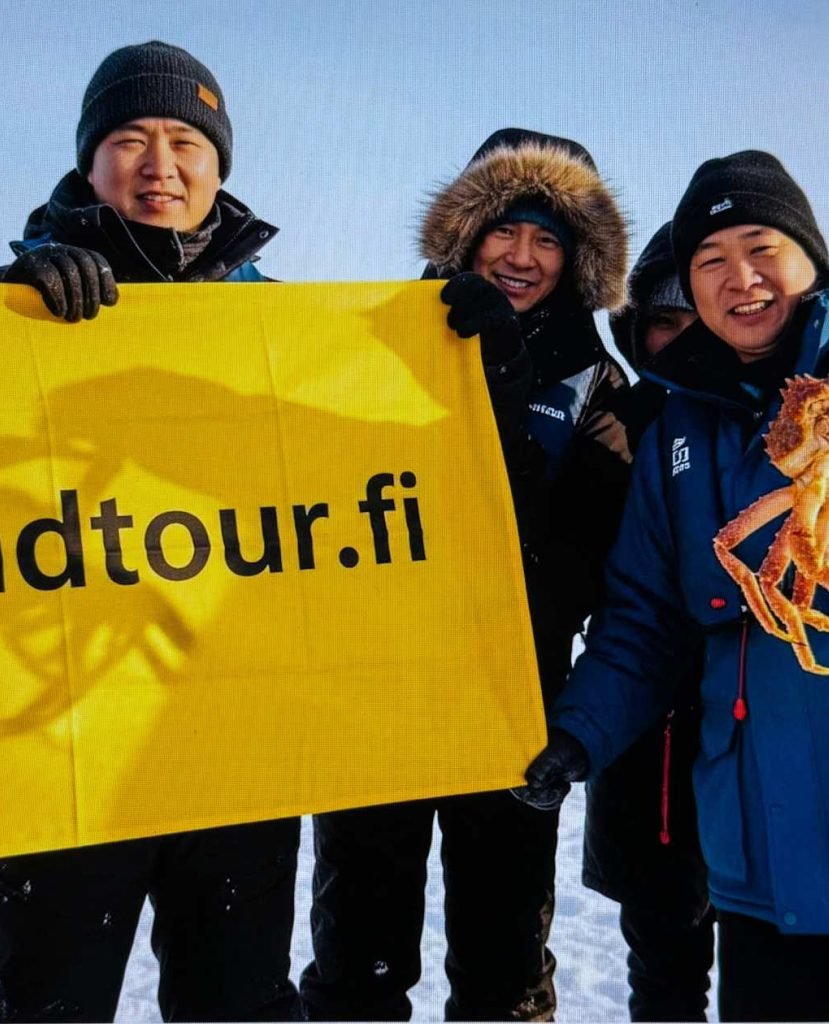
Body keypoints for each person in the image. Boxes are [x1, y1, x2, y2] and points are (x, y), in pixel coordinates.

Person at [0, 41, 301, 1023]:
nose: (160, 164)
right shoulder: (7, 305)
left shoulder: (284, 326)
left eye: (185, 139)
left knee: (236, 998)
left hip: (239, 735)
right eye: (129, 138)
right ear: (90, 162)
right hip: (59, 736)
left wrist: (466, 342)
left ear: (218, 163)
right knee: (45, 999)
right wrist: (6, 303)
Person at [517, 151, 829, 1022]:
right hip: (754, 860)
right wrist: (578, 734)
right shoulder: (680, 426)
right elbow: (644, 615)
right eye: (710, 262)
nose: (739, 279)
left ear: (813, 256)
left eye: (761, 249)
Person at [301, 128, 631, 1021]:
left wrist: (511, 400)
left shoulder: (598, 382)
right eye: (504, 232)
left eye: (550, 239)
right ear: (466, 234)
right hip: (378, 696)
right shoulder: (374, 339)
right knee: (357, 963)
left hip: (509, 703)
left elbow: (589, 556)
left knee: (503, 968)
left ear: (579, 260)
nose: (521, 258)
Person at [582, 222, 714, 1022]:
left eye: (696, 315)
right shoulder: (611, 422)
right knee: (665, 969)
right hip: (647, 748)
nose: (685, 337)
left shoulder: (789, 420)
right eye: (665, 320)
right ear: (639, 330)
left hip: (762, 728)